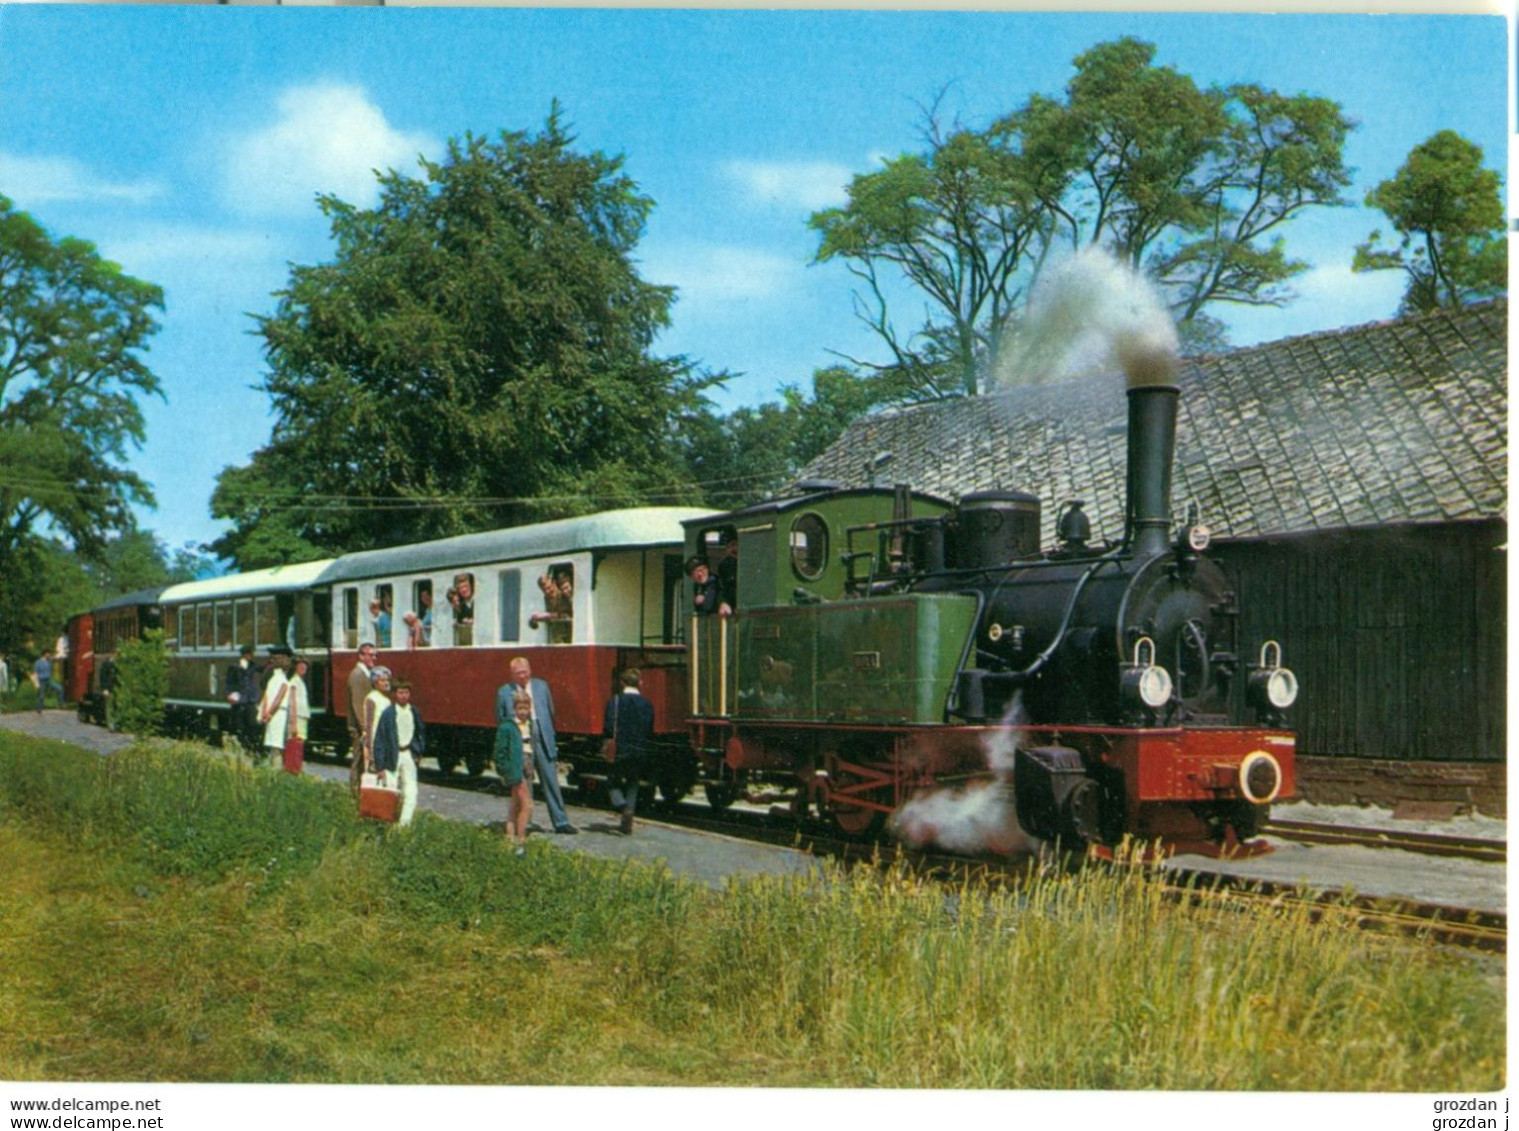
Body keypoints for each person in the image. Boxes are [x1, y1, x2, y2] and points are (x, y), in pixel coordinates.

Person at [495, 656, 576, 834]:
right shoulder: (504, 692)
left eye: (525, 672)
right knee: (526, 783)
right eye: (518, 673)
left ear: (530, 670)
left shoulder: (541, 686)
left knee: (551, 780)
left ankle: (561, 822)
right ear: (512, 675)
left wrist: (550, 738)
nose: (523, 676)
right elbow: (502, 721)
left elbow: (550, 711)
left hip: (542, 737)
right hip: (521, 741)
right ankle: (526, 823)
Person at [603, 667, 655, 835]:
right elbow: (649, 729)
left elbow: (608, 727)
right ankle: (629, 816)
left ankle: (623, 807)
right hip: (640, 749)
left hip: (620, 749)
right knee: (633, 782)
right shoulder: (647, 704)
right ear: (640, 683)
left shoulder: (615, 701)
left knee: (612, 780)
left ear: (622, 682)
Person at [372, 678, 426, 828]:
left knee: (411, 791)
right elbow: (380, 740)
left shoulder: (414, 712)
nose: (403, 696)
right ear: (395, 694)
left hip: (408, 754)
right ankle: (387, 823)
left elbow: (420, 732)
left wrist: (418, 750)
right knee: (391, 791)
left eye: (406, 693)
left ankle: (404, 825)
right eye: (400, 692)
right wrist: (380, 766)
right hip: (392, 756)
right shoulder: (388, 714)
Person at [492, 690, 533, 853]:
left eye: (526, 708)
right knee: (527, 804)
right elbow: (499, 752)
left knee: (515, 803)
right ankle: (521, 838)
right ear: (514, 709)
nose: (523, 712)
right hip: (515, 767)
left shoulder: (530, 725)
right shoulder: (508, 726)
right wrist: (504, 771)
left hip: (527, 764)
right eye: (520, 708)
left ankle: (509, 837)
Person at [346, 643, 377, 795]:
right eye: (370, 655)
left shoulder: (364, 673)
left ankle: (357, 792)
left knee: (359, 761)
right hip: (359, 729)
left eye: (374, 655)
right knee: (358, 761)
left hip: (361, 728)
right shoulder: (358, 675)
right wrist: (364, 728)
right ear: (361, 656)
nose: (374, 658)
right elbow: (358, 703)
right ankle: (355, 792)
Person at [258, 648, 292, 767]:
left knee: (275, 744)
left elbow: (276, 699)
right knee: (275, 745)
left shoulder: (278, 679)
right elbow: (274, 698)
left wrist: (267, 713)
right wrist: (268, 713)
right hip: (275, 713)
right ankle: (274, 768)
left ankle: (275, 769)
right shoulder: (279, 678)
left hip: (276, 714)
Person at [225, 644, 261, 753]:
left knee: (252, 724)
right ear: (245, 655)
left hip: (250, 699)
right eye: (249, 654)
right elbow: (229, 683)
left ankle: (250, 747)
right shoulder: (234, 667)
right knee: (239, 724)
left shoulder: (253, 666)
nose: (251, 656)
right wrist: (230, 695)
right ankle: (241, 746)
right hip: (239, 700)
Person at [363, 666, 394, 775]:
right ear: (375, 683)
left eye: (387, 680)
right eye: (382, 680)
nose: (386, 683)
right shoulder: (372, 698)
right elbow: (369, 724)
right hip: (376, 744)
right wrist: (371, 751)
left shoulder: (386, 700)